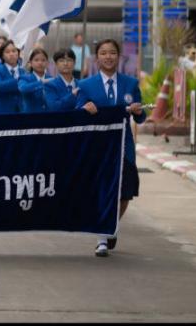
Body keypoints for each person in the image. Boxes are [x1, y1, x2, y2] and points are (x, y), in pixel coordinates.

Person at [77, 38, 145, 258]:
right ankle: (102, 237)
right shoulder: (86, 85)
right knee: (101, 190)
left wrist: (138, 111)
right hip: (97, 147)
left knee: (125, 192)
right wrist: (85, 108)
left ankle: (111, 223)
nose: (108, 57)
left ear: (119, 56)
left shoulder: (130, 84)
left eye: (112, 53)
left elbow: (141, 116)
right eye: (104, 53)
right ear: (97, 58)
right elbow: (77, 113)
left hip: (123, 145)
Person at [0, 40, 22, 114]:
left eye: (14, 51)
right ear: (2, 55)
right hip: (1, 113)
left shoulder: (24, 71)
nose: (11, 54)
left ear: (18, 53)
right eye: (7, 52)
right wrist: (19, 81)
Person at [18, 48, 50, 112]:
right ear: (30, 63)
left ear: (47, 63)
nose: (40, 63)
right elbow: (23, 88)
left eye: (43, 60)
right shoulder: (24, 78)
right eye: (36, 60)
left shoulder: (51, 78)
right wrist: (41, 82)